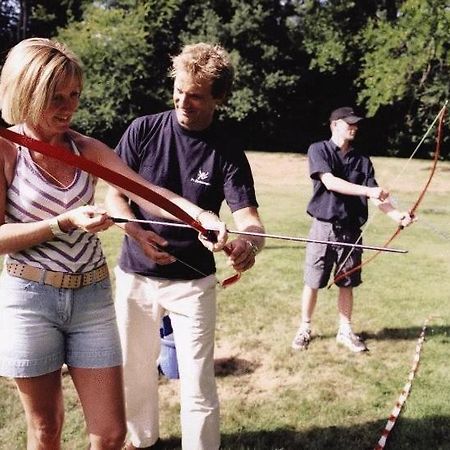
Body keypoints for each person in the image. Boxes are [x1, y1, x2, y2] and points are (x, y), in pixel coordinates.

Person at [0, 38, 227, 450]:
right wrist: (62, 222)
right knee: (46, 428)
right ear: (26, 92)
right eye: (56, 97)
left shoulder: (85, 148)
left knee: (111, 434)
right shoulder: (6, 151)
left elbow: (149, 192)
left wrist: (202, 218)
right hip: (29, 298)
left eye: (75, 96)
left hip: (91, 297)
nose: (69, 108)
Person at [104, 42, 265, 450]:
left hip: (193, 284)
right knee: (134, 373)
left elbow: (249, 220)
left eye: (195, 95)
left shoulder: (227, 149)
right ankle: (140, 442)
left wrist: (248, 244)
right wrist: (133, 230)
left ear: (218, 98)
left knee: (197, 380)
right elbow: (115, 195)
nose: (183, 101)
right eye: (178, 90)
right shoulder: (144, 129)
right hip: (135, 276)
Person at [291, 106, 414, 353]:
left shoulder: (362, 160)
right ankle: (304, 328)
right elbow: (330, 182)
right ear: (334, 124)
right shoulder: (319, 150)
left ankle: (345, 331)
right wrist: (368, 191)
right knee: (312, 280)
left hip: (351, 231)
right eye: (349, 123)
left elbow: (378, 197)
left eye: (356, 124)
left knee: (347, 282)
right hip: (323, 227)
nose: (354, 127)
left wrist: (398, 216)